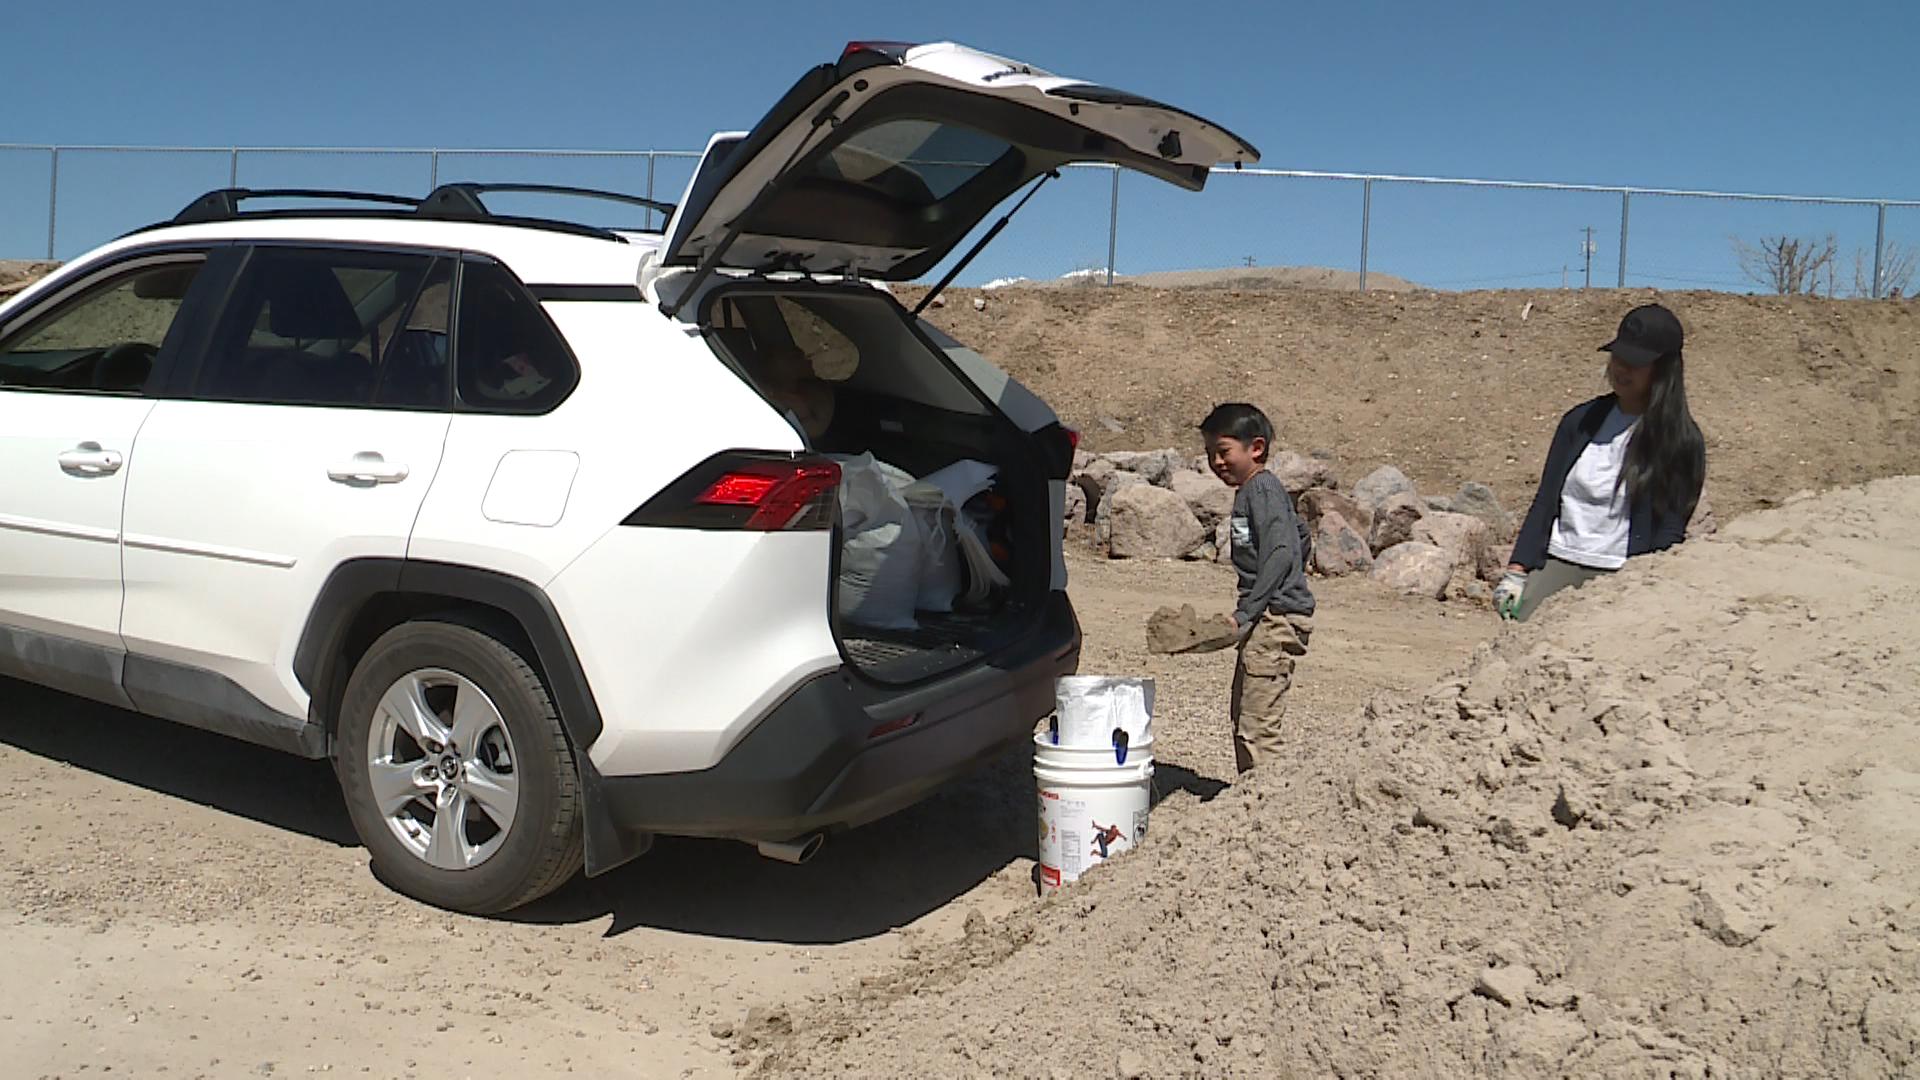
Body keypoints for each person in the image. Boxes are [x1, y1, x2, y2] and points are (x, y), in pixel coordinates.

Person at [1495, 303, 1706, 621]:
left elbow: (1670, 529)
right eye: (1618, 357)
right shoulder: (1579, 421)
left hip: (1621, 574)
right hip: (1558, 561)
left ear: (1664, 370)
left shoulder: (1680, 441)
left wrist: (1647, 589)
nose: (1622, 368)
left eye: (1635, 363)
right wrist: (1517, 571)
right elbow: (1545, 501)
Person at [1199, 403, 1315, 774]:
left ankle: (1267, 807)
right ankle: (1251, 800)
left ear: (1257, 448)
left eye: (1223, 451)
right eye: (1209, 454)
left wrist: (1249, 611)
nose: (1216, 462)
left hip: (1273, 618)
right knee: (1244, 711)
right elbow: (1299, 536)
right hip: (1266, 615)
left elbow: (1281, 552)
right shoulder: (1253, 492)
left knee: (1257, 725)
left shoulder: (1262, 489)